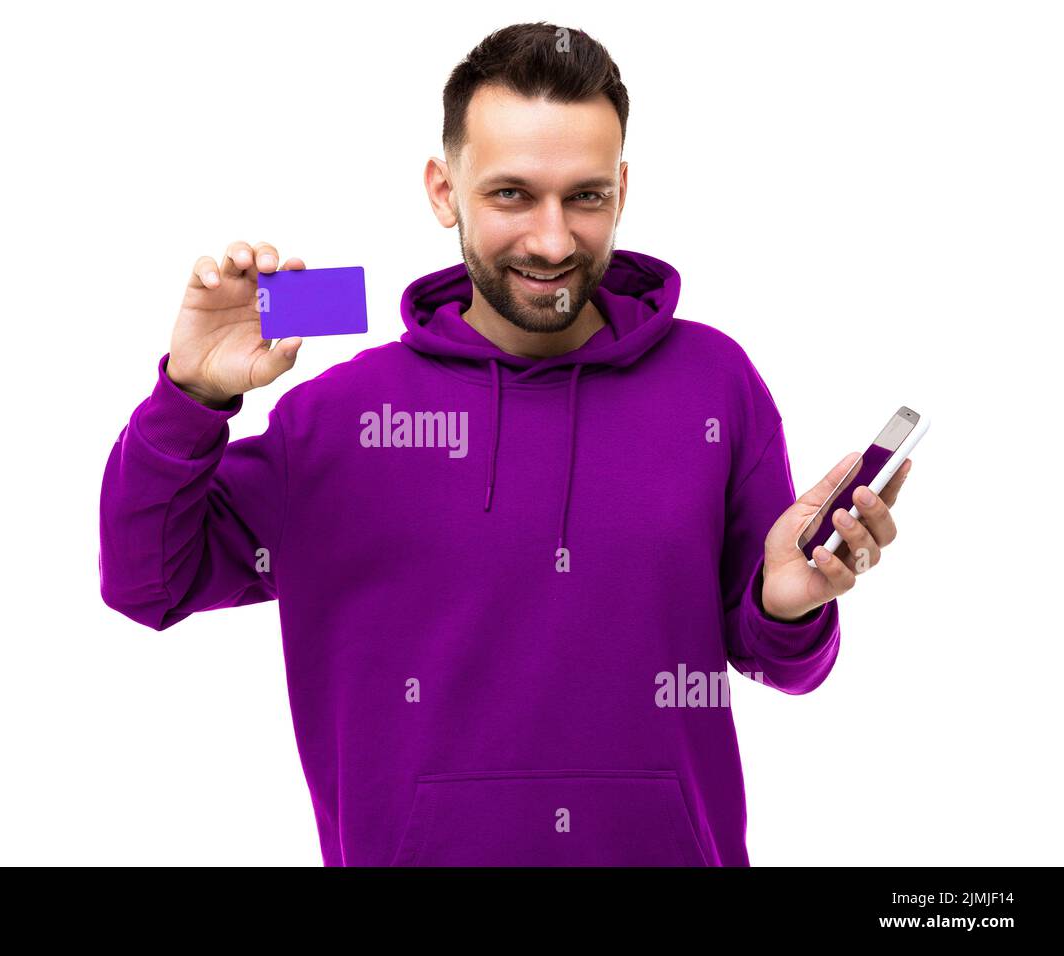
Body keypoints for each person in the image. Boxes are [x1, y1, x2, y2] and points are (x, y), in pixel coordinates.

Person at [98, 21, 912, 866]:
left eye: (585, 197)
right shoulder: (339, 417)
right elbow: (146, 582)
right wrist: (191, 395)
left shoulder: (715, 381)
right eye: (512, 195)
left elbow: (781, 661)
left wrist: (789, 604)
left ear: (623, 188)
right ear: (443, 190)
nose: (553, 241)